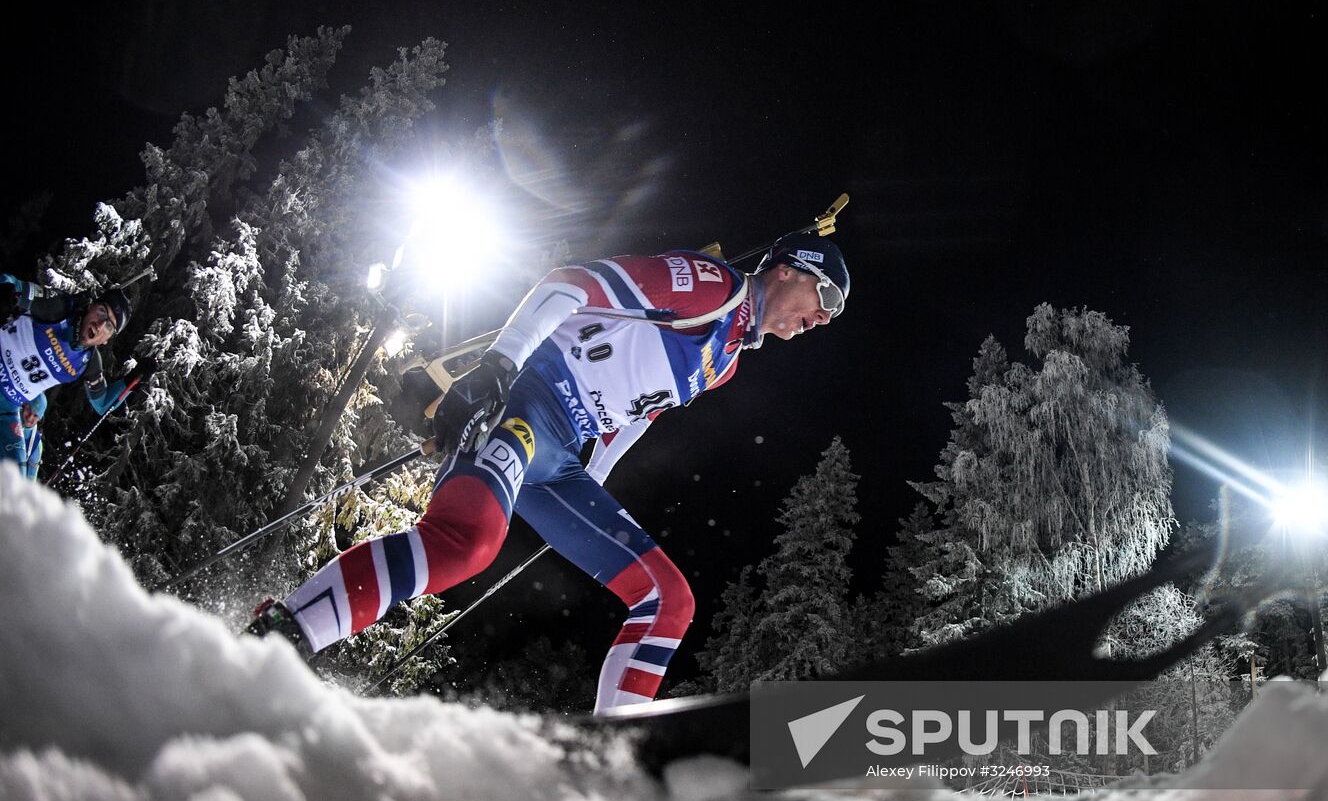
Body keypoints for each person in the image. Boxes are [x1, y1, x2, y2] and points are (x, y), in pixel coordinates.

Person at [249, 233, 851, 712]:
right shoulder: (713, 287)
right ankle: (285, 631)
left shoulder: (725, 361)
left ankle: (613, 758)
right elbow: (571, 284)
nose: (822, 320)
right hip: (527, 403)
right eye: (825, 301)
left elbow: (638, 409)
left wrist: (599, 477)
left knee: (668, 600)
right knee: (467, 544)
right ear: (790, 270)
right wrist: (496, 369)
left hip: (561, 457)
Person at [1, 272, 150, 435]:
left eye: (109, 327)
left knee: (14, 461)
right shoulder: (60, 308)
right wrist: (7, 292)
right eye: (101, 312)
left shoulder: (88, 362)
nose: (100, 325)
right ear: (90, 306)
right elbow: (12, 282)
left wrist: (132, 379)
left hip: (7, 406)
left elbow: (102, 406)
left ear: (106, 340)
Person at [2, 392, 45, 479]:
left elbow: (30, 478)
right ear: (24, 405)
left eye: (35, 415)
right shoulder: (8, 414)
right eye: (29, 409)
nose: (30, 417)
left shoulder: (35, 444)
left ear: (40, 418)